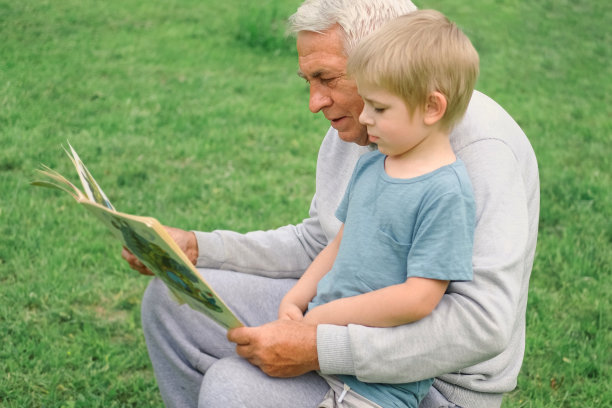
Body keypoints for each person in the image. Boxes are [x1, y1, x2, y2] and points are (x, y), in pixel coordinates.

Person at [123, 0, 540, 407]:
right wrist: (200, 248)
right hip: (335, 315)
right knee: (172, 301)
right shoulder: (367, 129)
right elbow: (320, 241)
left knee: (232, 387)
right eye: (308, 81)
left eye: (327, 78)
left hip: (431, 385)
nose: (314, 102)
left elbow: (482, 324)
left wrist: (321, 346)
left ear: (387, 60)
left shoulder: (482, 150)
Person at [278, 10, 479, 407]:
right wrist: (297, 299)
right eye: (365, 102)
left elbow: (418, 298)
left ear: (432, 108)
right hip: (322, 350)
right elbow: (340, 243)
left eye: (379, 108)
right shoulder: (373, 161)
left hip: (378, 387)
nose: (365, 117)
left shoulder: (446, 193)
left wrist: (323, 319)